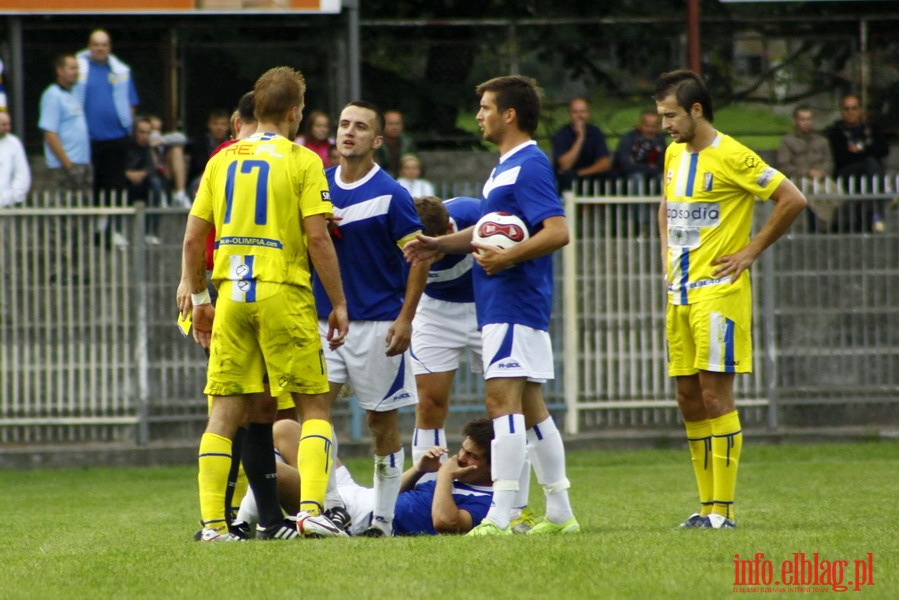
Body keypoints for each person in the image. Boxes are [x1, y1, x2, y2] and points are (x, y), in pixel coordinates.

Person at [177, 66, 350, 542]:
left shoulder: (222, 160)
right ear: (295, 112)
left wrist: (198, 298)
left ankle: (214, 525)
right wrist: (337, 302)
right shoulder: (303, 160)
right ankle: (312, 510)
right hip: (283, 292)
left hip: (231, 295)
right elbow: (318, 238)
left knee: (225, 411)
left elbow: (193, 240)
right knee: (314, 406)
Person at [405, 75, 580, 536]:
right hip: (502, 303)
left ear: (510, 115)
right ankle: (560, 513)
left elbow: (557, 230)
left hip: (513, 300)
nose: (478, 115)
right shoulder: (504, 167)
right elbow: (484, 230)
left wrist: (508, 257)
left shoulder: (530, 165)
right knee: (532, 407)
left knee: (501, 404)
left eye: (485, 107)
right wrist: (438, 243)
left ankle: (503, 513)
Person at [654, 70, 807, 529]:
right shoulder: (673, 154)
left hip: (719, 293)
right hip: (678, 293)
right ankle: (703, 508)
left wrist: (750, 250)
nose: (665, 125)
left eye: (671, 115)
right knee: (687, 397)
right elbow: (666, 206)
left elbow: (792, 198)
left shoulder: (733, 155)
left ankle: (723, 511)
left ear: (696, 110)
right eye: (661, 116)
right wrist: (666, 252)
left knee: (714, 394)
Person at [311, 100, 431, 537]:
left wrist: (405, 318)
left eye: (360, 127)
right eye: (343, 124)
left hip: (378, 324)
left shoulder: (393, 193)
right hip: (324, 324)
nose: (349, 132)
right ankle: (329, 508)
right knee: (314, 414)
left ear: (377, 140)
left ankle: (382, 519)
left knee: (381, 424)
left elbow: (419, 258)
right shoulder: (318, 185)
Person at [264, 417, 494, 536]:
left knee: (271, 470)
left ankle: (253, 522)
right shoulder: (459, 476)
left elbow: (446, 523)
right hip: (357, 493)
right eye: (462, 449)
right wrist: (419, 469)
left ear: (493, 468)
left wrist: (444, 474)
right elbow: (393, 493)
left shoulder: (486, 502)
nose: (460, 457)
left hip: (354, 518)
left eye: (471, 456)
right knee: (286, 429)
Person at [408, 196, 482, 477]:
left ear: (448, 232)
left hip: (486, 308)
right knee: (429, 403)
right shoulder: (401, 231)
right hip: (434, 312)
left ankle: (510, 504)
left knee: (507, 406)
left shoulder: (471, 211)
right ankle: (428, 492)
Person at [73, 29, 139, 206]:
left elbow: (131, 103)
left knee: (115, 185)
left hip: (117, 138)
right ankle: (94, 230)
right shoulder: (78, 70)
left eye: (104, 44)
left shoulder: (121, 71)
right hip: (88, 140)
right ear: (89, 46)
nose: (100, 48)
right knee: (92, 186)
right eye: (96, 44)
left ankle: (112, 229)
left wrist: (128, 131)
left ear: (109, 47)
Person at [826, 94, 890, 232]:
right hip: (847, 174)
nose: (850, 112)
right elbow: (841, 156)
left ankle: (871, 214)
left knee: (870, 166)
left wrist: (859, 150)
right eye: (847, 109)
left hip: (870, 174)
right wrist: (867, 151)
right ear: (842, 111)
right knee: (871, 163)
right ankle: (877, 211)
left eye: (854, 108)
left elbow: (883, 149)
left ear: (860, 110)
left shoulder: (872, 129)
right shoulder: (835, 132)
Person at [38, 54, 92, 203]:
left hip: (82, 163)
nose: (75, 72)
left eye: (77, 69)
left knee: (82, 215)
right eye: (71, 68)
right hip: (64, 166)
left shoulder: (73, 94)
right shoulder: (52, 95)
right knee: (63, 216)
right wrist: (68, 164)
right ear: (60, 70)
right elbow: (50, 133)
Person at [776, 106, 837, 231]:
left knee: (837, 193)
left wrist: (822, 172)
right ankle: (824, 224)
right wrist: (807, 172)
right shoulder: (788, 141)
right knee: (815, 191)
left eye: (808, 119)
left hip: (821, 178)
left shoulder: (821, 141)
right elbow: (784, 165)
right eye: (802, 119)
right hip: (799, 179)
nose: (806, 123)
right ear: (795, 121)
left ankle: (825, 221)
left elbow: (829, 162)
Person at [552, 97, 611, 193]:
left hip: (588, 174)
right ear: (570, 115)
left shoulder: (595, 132)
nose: (580, 116)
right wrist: (580, 138)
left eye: (582, 112)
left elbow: (604, 163)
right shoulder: (562, 134)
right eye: (575, 112)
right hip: (566, 179)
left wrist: (580, 173)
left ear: (588, 114)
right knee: (567, 177)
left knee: (611, 176)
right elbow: (565, 165)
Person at [124, 117, 164, 243]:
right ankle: (118, 231)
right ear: (134, 132)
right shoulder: (125, 145)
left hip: (143, 181)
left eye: (148, 133)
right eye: (141, 132)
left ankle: (152, 232)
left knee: (156, 184)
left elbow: (153, 169)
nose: (144, 136)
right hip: (125, 180)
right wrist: (128, 173)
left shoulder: (148, 148)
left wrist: (141, 173)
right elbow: (116, 166)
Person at [613, 109, 667, 192]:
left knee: (664, 178)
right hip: (628, 176)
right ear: (640, 124)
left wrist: (638, 165)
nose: (650, 130)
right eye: (647, 126)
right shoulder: (628, 138)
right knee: (637, 177)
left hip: (654, 175)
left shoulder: (660, 140)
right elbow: (626, 165)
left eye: (654, 126)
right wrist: (649, 167)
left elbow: (663, 164)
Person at [146, 114, 190, 208]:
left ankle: (180, 194)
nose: (155, 134)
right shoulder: (142, 139)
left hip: (166, 173)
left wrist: (161, 140)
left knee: (176, 150)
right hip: (151, 175)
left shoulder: (164, 140)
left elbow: (182, 138)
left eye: (158, 130)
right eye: (152, 130)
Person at [187, 108, 231, 194]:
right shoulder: (200, 143)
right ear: (209, 125)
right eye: (215, 124)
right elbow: (199, 165)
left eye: (223, 124)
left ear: (228, 126)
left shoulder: (232, 142)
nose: (219, 127)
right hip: (203, 176)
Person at [0, 111, 31, 208]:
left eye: (8, 124)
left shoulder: (14, 143)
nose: (8, 128)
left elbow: (22, 175)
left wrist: (11, 197)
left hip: (6, 204)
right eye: (4, 124)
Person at [374, 109, 416, 178]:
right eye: (390, 124)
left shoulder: (408, 143)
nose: (394, 127)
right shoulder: (375, 143)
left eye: (397, 124)